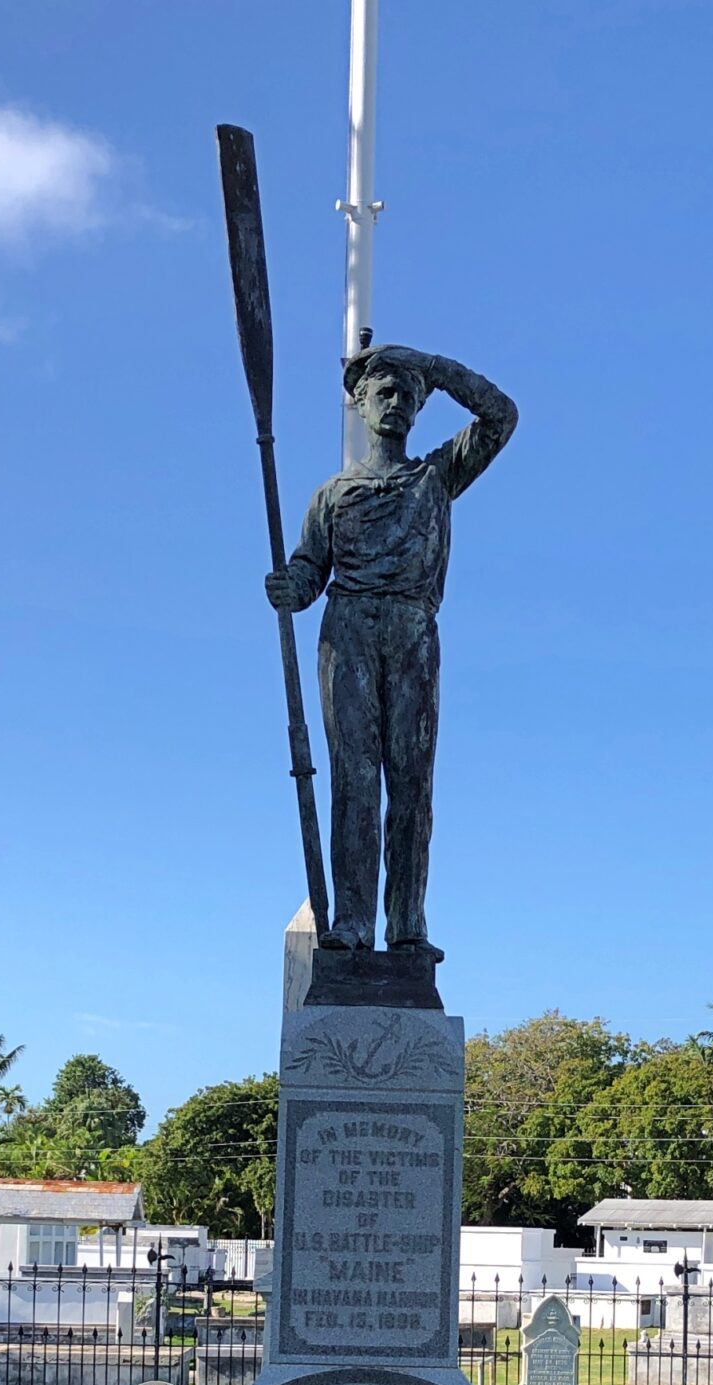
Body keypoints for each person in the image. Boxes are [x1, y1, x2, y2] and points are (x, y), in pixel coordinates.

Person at [265, 344, 517, 957]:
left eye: (408, 394)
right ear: (360, 404)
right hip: (348, 630)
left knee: (412, 782)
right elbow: (309, 568)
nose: (397, 402)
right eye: (385, 392)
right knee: (355, 780)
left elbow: (501, 416)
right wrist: (291, 587)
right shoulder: (332, 494)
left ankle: (406, 923)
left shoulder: (436, 475)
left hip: (412, 630)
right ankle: (352, 920)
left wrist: (434, 368)